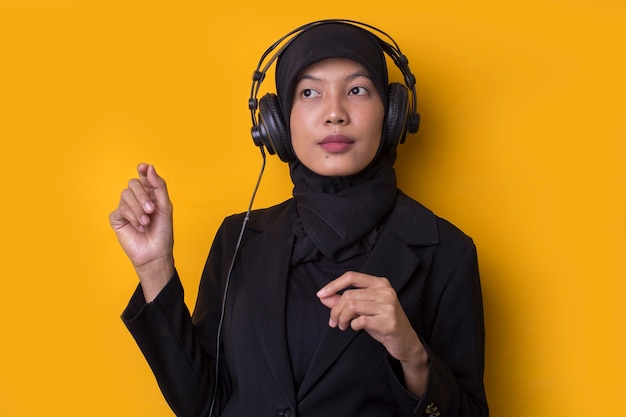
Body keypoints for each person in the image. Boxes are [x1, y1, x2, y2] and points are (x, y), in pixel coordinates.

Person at [110, 20, 488, 417]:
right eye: (309, 92)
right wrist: (154, 269)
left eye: (357, 90)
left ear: (394, 115)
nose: (334, 114)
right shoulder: (238, 239)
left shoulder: (447, 253)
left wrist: (414, 355)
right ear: (276, 124)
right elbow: (202, 405)